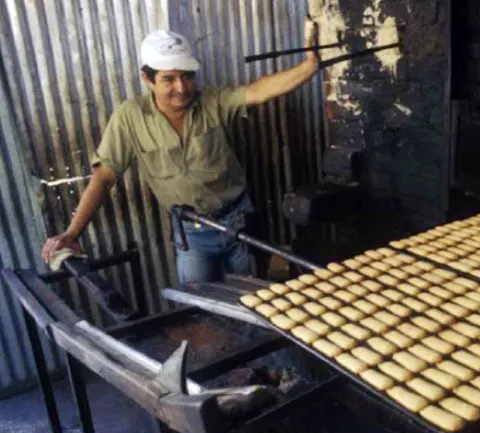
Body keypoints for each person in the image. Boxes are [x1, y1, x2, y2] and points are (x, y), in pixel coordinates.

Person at [41, 22, 320, 283]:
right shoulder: (130, 117)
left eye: (187, 77)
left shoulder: (212, 102)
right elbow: (103, 177)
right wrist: (72, 233)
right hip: (192, 233)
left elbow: (258, 91)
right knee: (200, 310)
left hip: (239, 223)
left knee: (250, 304)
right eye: (169, 79)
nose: (182, 88)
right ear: (147, 78)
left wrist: (308, 67)